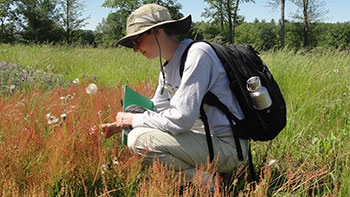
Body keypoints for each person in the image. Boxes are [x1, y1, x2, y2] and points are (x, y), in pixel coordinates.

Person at [92, 3, 249, 184]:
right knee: (141, 133)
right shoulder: (168, 67)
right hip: (203, 141)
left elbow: (181, 119)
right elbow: (158, 109)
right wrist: (118, 125)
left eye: (137, 40)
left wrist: (131, 120)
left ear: (157, 31)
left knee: (139, 140)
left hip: (227, 147)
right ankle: (206, 177)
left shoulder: (198, 55)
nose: (135, 49)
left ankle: (211, 184)